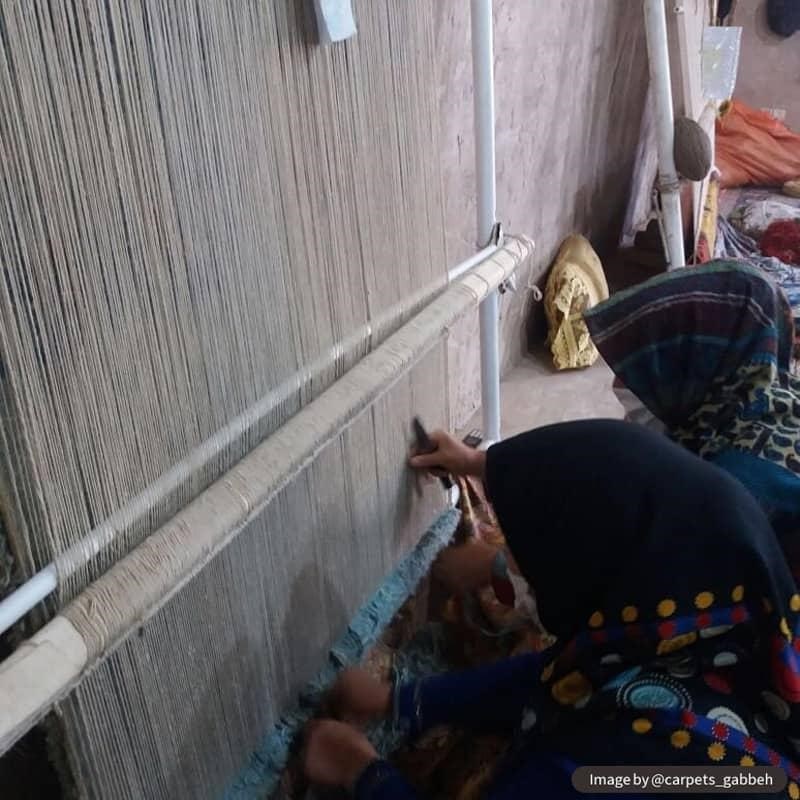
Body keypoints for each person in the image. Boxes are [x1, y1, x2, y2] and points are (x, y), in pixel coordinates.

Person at [302, 419, 800, 799]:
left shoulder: (621, 765)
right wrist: (399, 700)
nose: (518, 572)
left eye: (530, 569)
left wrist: (363, 771)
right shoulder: (731, 629)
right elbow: (560, 676)